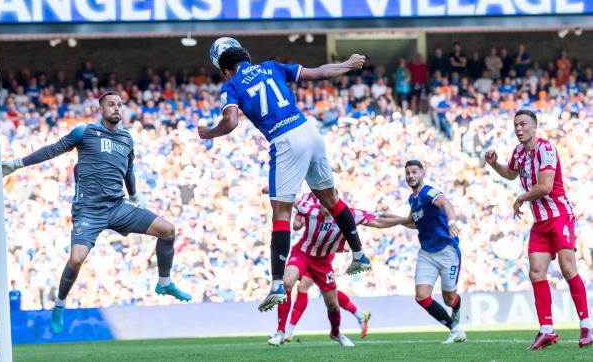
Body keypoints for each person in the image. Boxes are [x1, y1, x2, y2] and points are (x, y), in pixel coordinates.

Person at [198, 38, 370, 312]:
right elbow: (320, 72)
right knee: (331, 199)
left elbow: (230, 122)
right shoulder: (271, 67)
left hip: (285, 140)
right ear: (245, 56)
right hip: (310, 132)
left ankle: (278, 283)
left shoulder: (231, 85)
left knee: (281, 215)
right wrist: (348, 65)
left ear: (225, 69)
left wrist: (210, 132)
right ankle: (359, 254)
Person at [1, 91, 191, 334]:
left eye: (120, 105)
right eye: (111, 104)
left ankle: (164, 283)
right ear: (100, 109)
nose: (116, 108)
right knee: (77, 259)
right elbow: (52, 150)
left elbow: (129, 171)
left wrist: (134, 196)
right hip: (88, 210)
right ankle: (59, 306)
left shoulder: (126, 139)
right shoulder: (85, 132)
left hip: (118, 206)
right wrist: (17, 164)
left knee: (168, 230)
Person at [484, 110, 591, 350]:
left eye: (523, 124)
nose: (518, 129)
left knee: (567, 268)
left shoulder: (546, 149)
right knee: (536, 272)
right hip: (540, 222)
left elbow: (545, 187)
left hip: (559, 215)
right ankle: (547, 330)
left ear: (534, 127)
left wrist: (521, 198)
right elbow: (510, 174)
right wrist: (493, 164)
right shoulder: (519, 153)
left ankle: (586, 325)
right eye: (515, 125)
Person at [268, 191, 404, 347]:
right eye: (322, 200)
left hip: (323, 262)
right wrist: (271, 189)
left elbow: (379, 219)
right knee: (287, 283)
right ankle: (282, 331)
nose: (325, 204)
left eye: (329, 201)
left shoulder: (347, 214)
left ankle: (336, 332)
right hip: (302, 254)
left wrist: (404, 220)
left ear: (335, 201)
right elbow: (289, 199)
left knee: (332, 304)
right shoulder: (309, 209)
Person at [396, 160, 467, 344]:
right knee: (421, 296)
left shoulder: (428, 192)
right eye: (408, 173)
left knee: (449, 299)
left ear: (422, 173)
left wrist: (452, 223)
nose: (411, 176)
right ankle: (454, 328)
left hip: (446, 251)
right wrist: (394, 220)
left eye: (414, 172)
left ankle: (456, 310)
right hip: (427, 253)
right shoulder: (412, 199)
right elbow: (414, 222)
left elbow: (446, 203)